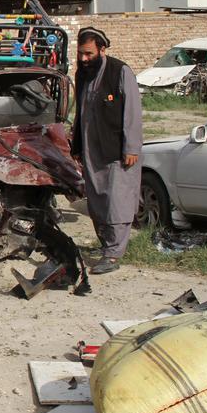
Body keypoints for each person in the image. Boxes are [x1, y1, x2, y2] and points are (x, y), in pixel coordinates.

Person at [70, 27, 142, 275]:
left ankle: (113, 254)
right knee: (98, 200)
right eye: (81, 54)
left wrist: (131, 147)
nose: (83, 59)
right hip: (91, 149)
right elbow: (80, 113)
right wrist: (77, 145)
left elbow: (133, 114)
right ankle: (106, 246)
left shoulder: (120, 72)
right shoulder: (83, 74)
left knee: (117, 201)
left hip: (117, 151)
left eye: (88, 54)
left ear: (102, 49)